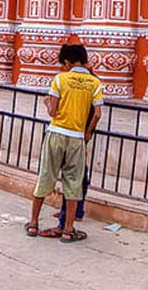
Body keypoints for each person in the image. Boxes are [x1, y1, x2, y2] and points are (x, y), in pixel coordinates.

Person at [26, 43, 103, 243]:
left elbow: (52, 111)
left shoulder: (60, 79)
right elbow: (97, 114)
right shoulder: (94, 83)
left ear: (67, 62)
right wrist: (87, 133)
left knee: (45, 177)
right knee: (74, 185)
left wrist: (47, 103)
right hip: (76, 138)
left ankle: (33, 223)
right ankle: (68, 229)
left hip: (56, 133)